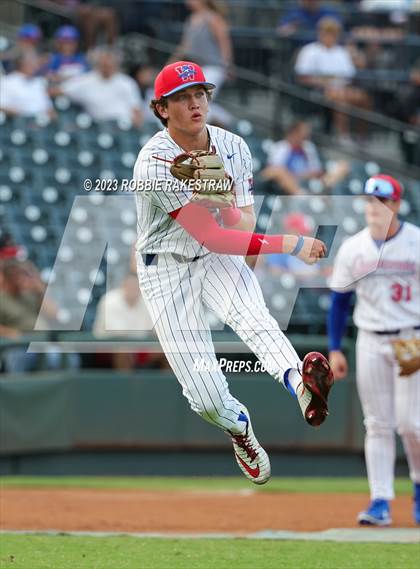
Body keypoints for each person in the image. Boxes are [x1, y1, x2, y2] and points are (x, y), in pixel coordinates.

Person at [132, 60, 334, 484]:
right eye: (182, 98)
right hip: (166, 268)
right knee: (205, 397)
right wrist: (289, 243)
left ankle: (300, 383)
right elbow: (212, 237)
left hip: (215, 257)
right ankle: (239, 428)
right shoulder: (153, 164)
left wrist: (221, 201)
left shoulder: (233, 147)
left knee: (256, 321)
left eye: (200, 94)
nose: (194, 103)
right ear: (162, 108)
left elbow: (238, 224)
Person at [327, 174, 420, 526]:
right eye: (369, 200)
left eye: (381, 201)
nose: (373, 207)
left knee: (412, 424)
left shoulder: (416, 242)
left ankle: (419, 487)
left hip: (411, 338)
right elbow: (338, 302)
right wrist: (335, 348)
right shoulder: (354, 248)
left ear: (396, 205)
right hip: (370, 338)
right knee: (378, 423)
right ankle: (380, 500)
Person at [294, 17, 370, 142]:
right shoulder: (309, 50)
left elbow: (349, 76)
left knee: (364, 99)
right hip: (317, 90)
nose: (329, 36)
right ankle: (343, 136)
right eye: (326, 32)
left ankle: (361, 136)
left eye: (333, 33)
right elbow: (302, 76)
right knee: (340, 99)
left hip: (342, 88)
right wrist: (324, 82)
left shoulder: (341, 52)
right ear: (320, 33)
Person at [93, 272, 166, 371]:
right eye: (130, 286)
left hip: (139, 346)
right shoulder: (110, 300)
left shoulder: (147, 301)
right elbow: (118, 334)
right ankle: (129, 386)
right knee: (123, 351)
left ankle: (162, 386)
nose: (132, 289)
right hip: (110, 346)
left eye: (136, 286)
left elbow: (154, 331)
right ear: (123, 286)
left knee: (167, 352)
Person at [54, 47, 143, 126]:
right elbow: (58, 90)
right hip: (97, 127)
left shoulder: (126, 82)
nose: (106, 66)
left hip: (122, 125)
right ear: (97, 64)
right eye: (103, 64)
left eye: (109, 63)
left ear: (116, 64)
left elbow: (136, 110)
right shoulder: (86, 81)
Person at [262, 120, 349, 195]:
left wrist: (310, 175)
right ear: (294, 133)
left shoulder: (308, 147)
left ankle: (324, 191)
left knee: (343, 165)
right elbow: (274, 170)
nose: (305, 137)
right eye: (302, 134)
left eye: (306, 135)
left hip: (310, 180)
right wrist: (299, 175)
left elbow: (316, 170)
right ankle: (302, 196)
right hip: (291, 181)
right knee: (278, 171)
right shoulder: (281, 146)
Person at [171, 1, 233, 97]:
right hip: (194, 69)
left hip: (212, 67)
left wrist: (227, 66)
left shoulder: (214, 18)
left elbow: (224, 43)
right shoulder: (191, 18)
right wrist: (171, 64)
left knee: (201, 98)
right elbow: (184, 46)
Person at [0, 52, 54, 118]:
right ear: (22, 63)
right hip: (18, 122)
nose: (35, 65)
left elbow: (48, 107)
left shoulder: (38, 82)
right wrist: (22, 115)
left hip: (43, 122)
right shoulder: (7, 81)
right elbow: (1, 106)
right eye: (32, 62)